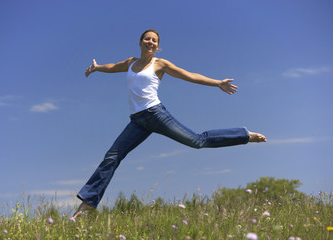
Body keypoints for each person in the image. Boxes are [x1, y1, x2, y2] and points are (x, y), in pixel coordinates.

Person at [72, 29, 266, 219]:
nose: (150, 42)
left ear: (157, 46)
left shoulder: (160, 64)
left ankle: (244, 135)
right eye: (147, 39)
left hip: (156, 115)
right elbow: (113, 66)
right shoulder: (131, 63)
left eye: (154, 40)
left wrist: (217, 83)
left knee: (197, 141)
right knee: (112, 156)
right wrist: (97, 67)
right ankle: (89, 201)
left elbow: (189, 75)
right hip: (137, 122)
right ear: (140, 43)